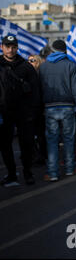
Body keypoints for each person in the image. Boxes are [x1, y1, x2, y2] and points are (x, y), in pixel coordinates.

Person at [39, 40, 76, 181]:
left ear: (52, 51)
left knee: (52, 141)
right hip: (67, 107)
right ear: (65, 51)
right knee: (69, 139)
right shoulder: (71, 65)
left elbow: (39, 89)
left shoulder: (43, 67)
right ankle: (70, 168)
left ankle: (53, 173)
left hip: (49, 107)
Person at [0, 35, 41, 186]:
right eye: (7, 46)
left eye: (13, 47)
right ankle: (11, 174)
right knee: (5, 145)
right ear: (2, 47)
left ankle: (27, 172)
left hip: (24, 113)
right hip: (4, 112)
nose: (10, 50)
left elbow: (36, 91)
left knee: (26, 144)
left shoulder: (26, 66)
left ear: (17, 48)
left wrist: (33, 112)